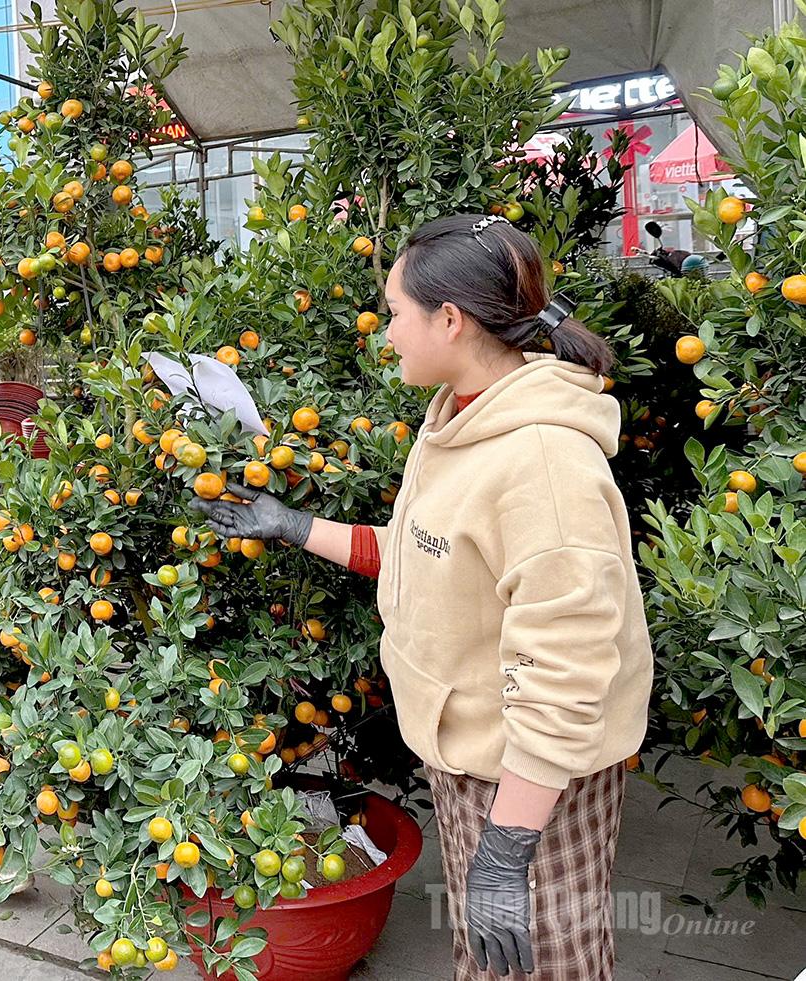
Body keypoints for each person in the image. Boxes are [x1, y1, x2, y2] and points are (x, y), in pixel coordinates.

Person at [193, 213, 653, 981]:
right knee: (491, 960)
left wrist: (508, 847)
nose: (388, 332)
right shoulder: (462, 416)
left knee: (545, 964)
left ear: (449, 319)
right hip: (476, 757)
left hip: (533, 774)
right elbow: (429, 551)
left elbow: (566, 666)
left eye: (396, 311)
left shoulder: (542, 461)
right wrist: (295, 525)